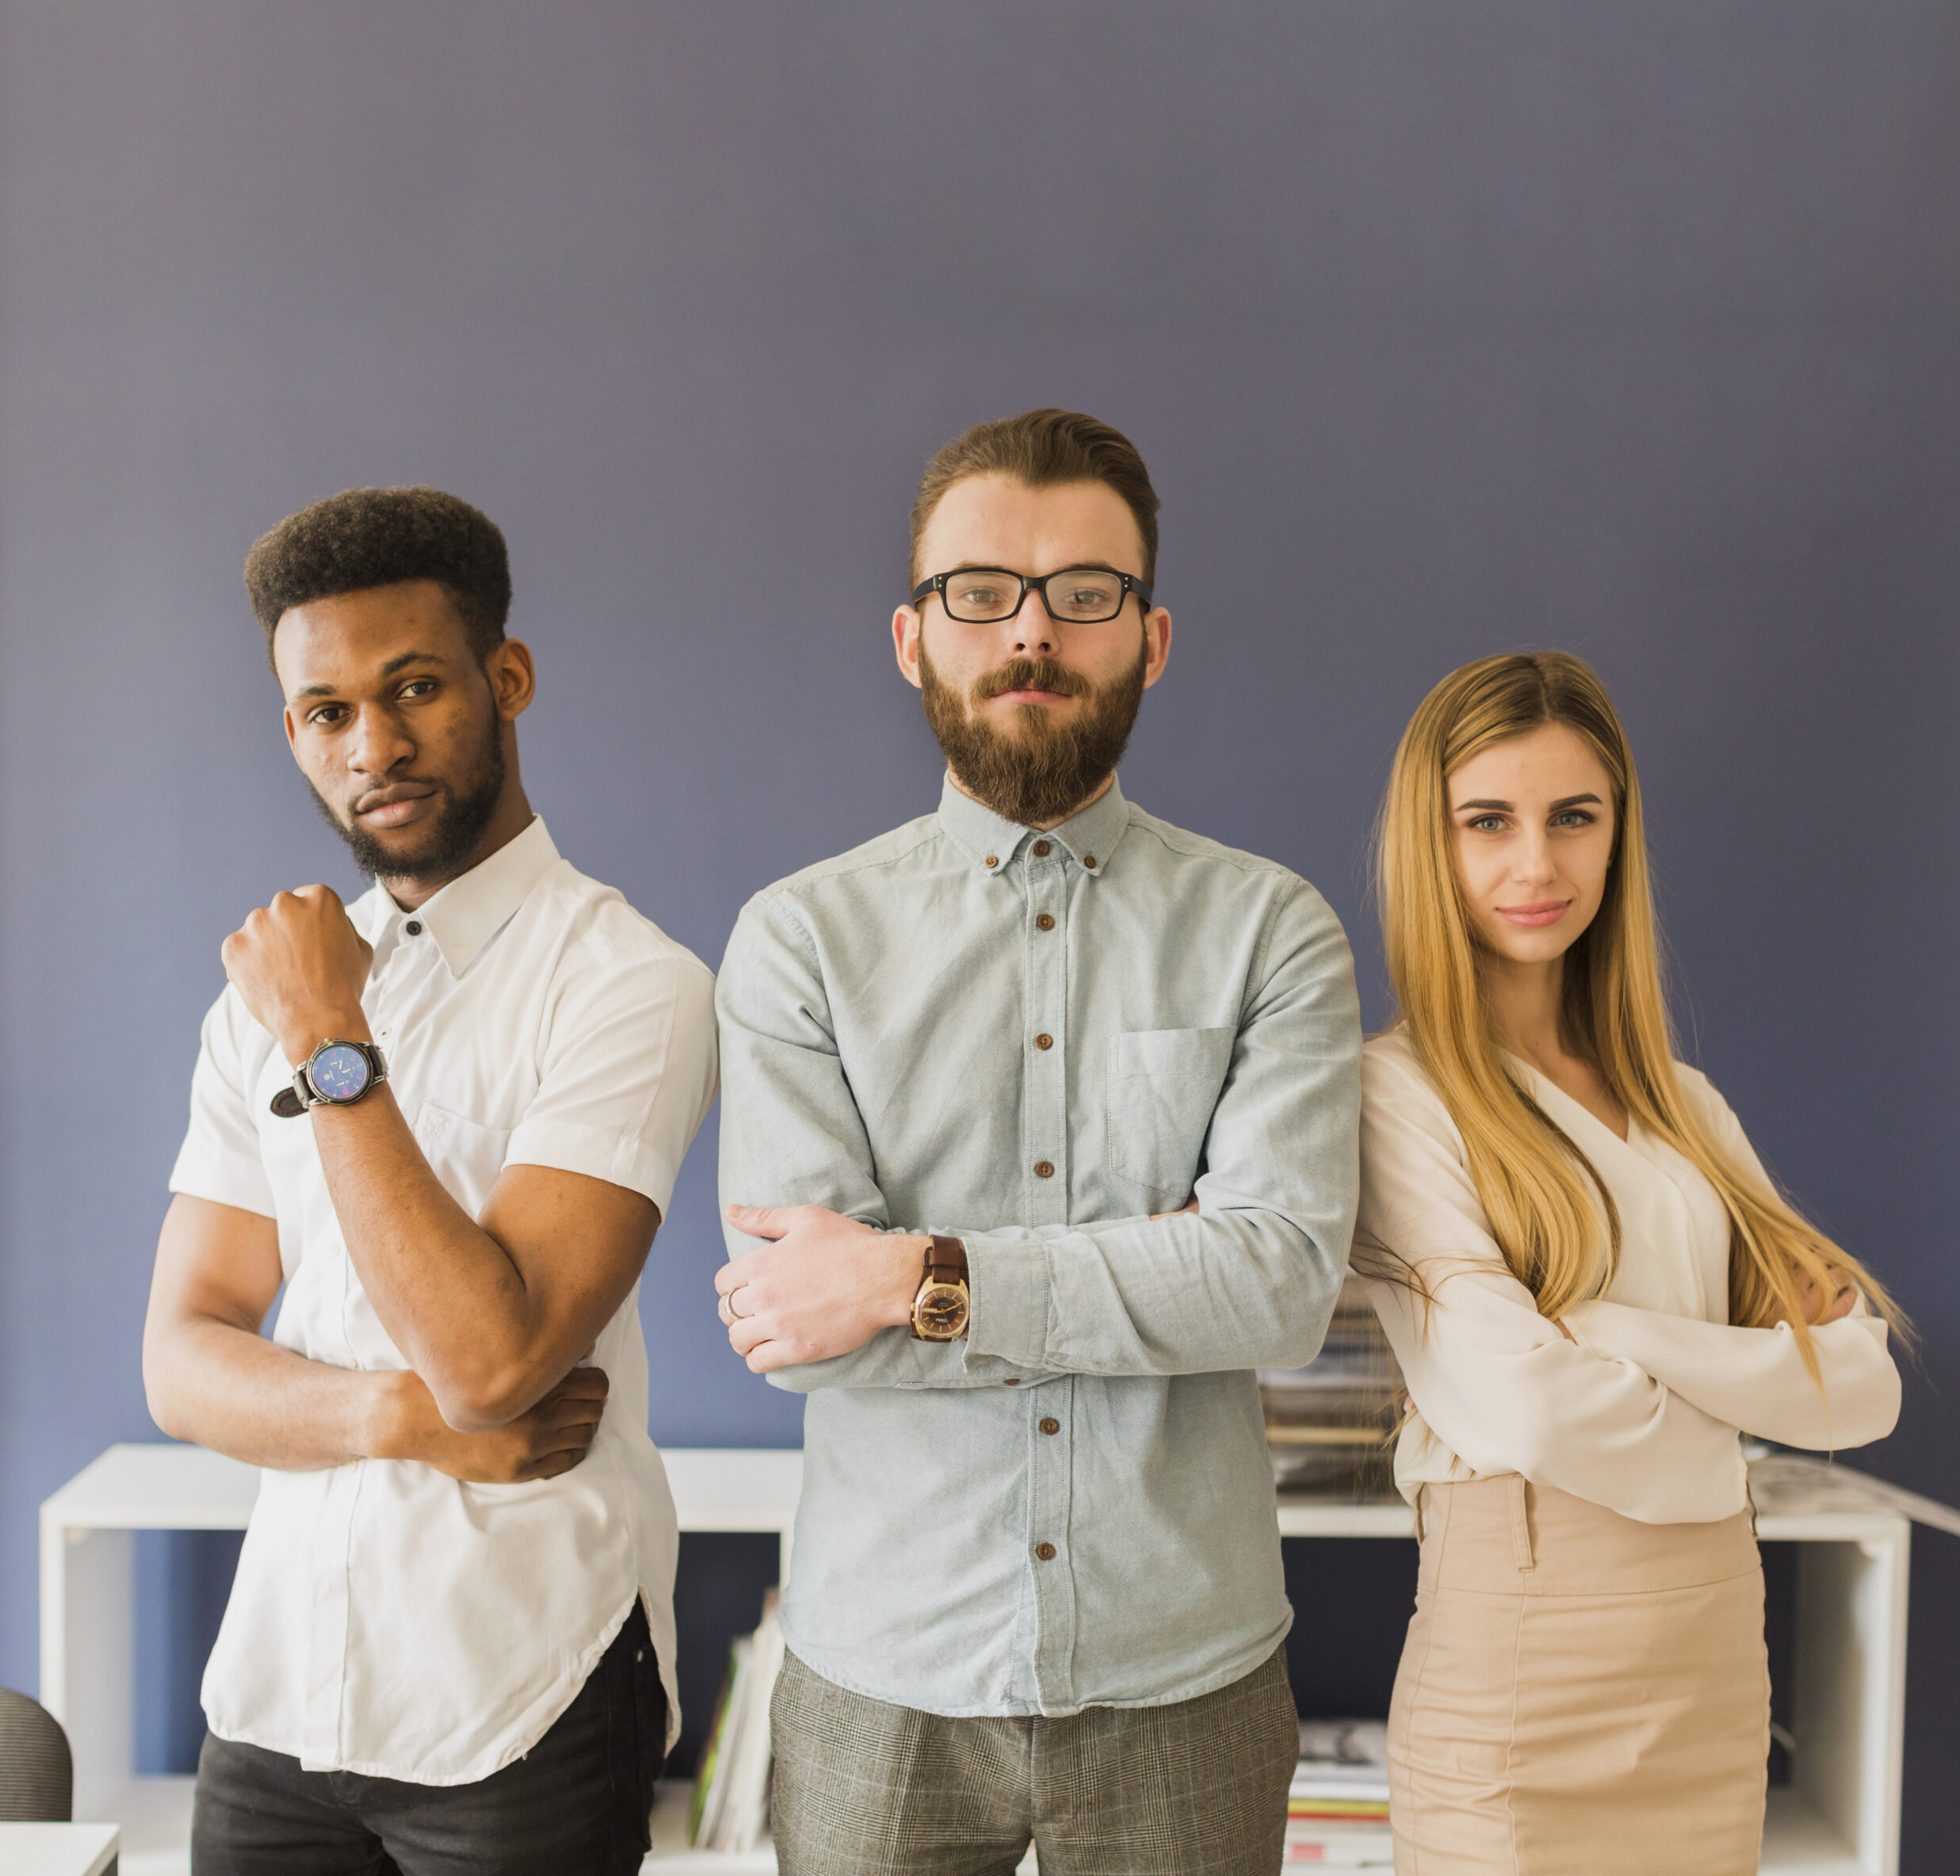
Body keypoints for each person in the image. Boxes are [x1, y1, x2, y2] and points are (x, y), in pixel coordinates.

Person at [710, 408, 1362, 1876]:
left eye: (1083, 592)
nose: (1030, 632)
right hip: (884, 1682)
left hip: (1188, 1681)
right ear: (911, 638)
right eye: (980, 592)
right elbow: (807, 1333)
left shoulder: (1272, 931)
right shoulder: (799, 941)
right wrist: (1153, 1275)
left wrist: (912, 1275)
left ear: (1152, 637)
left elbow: (1276, 1289)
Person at [142, 488, 717, 1876]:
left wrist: (329, 1042)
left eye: (414, 690)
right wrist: (395, 1418)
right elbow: (182, 1361)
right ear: (293, 732)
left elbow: (492, 1362)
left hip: (521, 1699)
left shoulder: (627, 983)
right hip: (278, 1693)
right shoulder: (269, 991)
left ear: (505, 679)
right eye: (327, 712)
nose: (375, 748)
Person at [1356, 650, 1904, 1876]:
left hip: (1712, 1662)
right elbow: (1529, 1408)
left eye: (1574, 818)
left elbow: (1864, 1393)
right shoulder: (1394, 1097)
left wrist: (1619, 1331)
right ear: (1428, 842)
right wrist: (1744, 1391)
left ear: (1618, 835)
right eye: (1487, 822)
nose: (1537, 865)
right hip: (1521, 1670)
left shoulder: (1685, 1110)